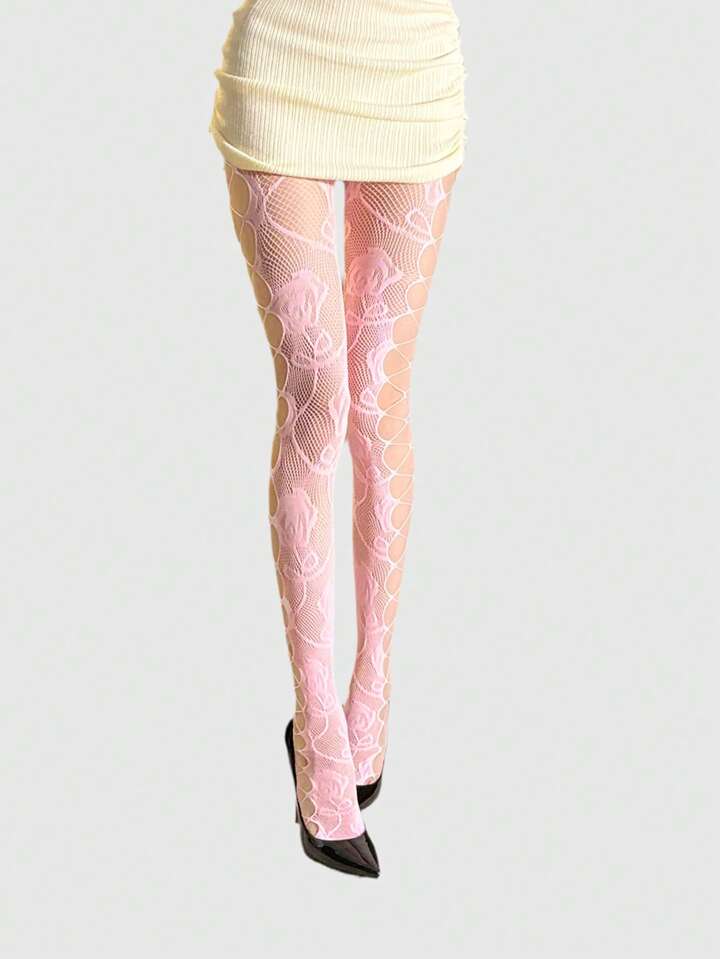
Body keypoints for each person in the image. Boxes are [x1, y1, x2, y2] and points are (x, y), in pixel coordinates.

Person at [209, 0, 467, 878]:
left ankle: (371, 696)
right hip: (283, 66)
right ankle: (316, 725)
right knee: (318, 392)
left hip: (412, 73)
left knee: (377, 399)